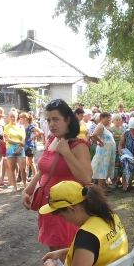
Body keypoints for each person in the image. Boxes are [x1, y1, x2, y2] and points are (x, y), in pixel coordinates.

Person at [22, 99, 92, 250]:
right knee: (54, 250)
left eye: (56, 119)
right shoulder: (51, 140)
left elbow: (87, 179)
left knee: (65, 252)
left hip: (67, 209)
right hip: (48, 205)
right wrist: (27, 190)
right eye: (48, 120)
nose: (51, 124)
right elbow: (43, 171)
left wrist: (67, 153)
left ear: (68, 120)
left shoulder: (79, 145)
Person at [1, 109, 26, 191]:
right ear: (8, 117)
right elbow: (8, 140)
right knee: (12, 169)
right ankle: (15, 187)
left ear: (17, 117)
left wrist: (20, 147)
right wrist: (19, 142)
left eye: (14, 116)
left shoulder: (21, 126)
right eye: (11, 116)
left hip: (20, 148)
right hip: (10, 149)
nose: (12, 118)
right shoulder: (6, 127)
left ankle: (25, 185)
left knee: (23, 169)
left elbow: (23, 139)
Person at [90, 112, 116, 189]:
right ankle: (99, 190)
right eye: (107, 119)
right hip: (103, 154)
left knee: (103, 172)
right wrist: (100, 142)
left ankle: (101, 188)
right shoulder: (100, 126)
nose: (109, 120)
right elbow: (93, 135)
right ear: (102, 118)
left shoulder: (104, 127)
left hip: (106, 154)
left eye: (109, 119)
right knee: (101, 171)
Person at [20, 112, 43, 181]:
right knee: (24, 163)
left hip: (30, 146)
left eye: (21, 118)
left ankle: (36, 177)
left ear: (26, 119)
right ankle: (26, 177)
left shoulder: (30, 126)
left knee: (31, 162)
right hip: (23, 146)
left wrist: (32, 138)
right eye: (20, 118)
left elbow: (40, 132)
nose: (20, 119)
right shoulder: (20, 126)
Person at [109, 114, 126, 189]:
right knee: (114, 166)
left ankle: (119, 180)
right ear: (113, 121)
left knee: (121, 165)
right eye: (117, 120)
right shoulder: (111, 129)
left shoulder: (123, 129)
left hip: (122, 149)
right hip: (113, 149)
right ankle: (113, 182)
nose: (118, 121)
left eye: (119, 120)